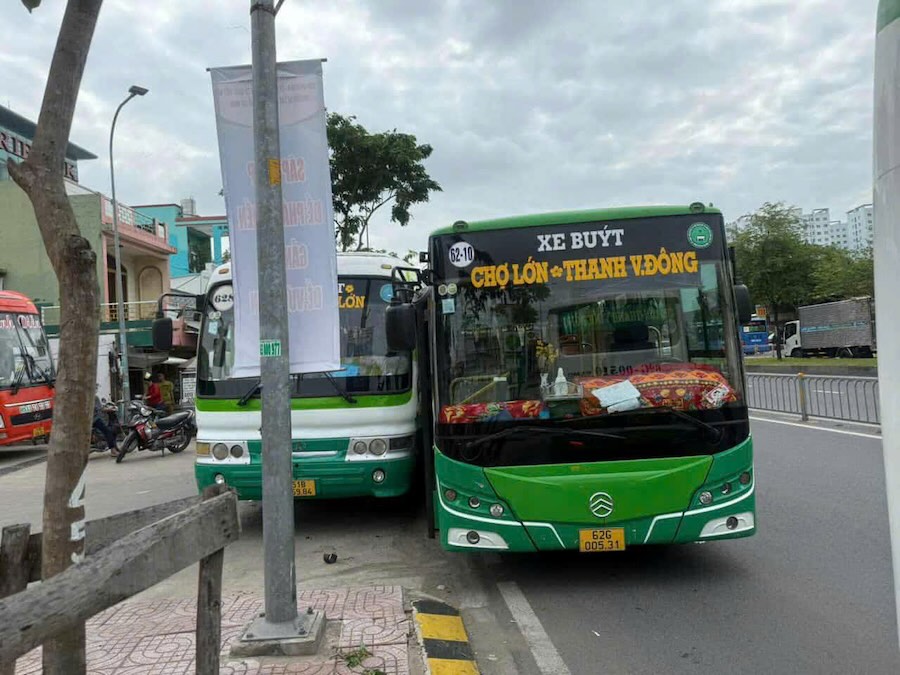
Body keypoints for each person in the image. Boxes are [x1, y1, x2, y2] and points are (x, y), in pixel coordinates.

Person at [92, 388, 118, 453]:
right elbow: (100, 409)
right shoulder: (94, 397)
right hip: (94, 420)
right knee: (107, 431)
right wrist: (110, 409)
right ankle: (113, 450)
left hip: (85, 421)